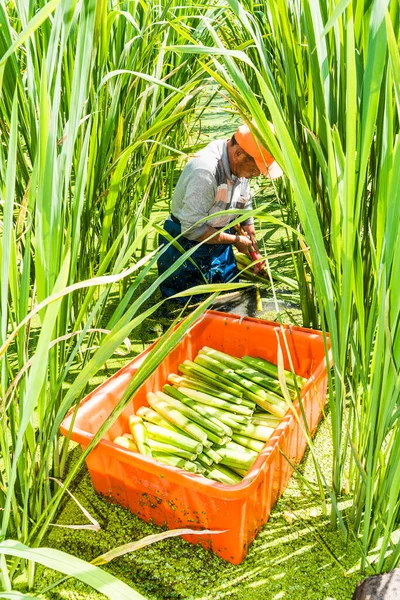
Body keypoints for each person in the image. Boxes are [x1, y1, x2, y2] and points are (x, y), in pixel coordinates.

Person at [157, 123, 282, 300]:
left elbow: (244, 203)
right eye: (255, 170)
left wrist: (252, 241)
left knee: (230, 300)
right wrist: (236, 240)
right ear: (239, 154)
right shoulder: (205, 171)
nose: (255, 175)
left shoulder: (240, 168)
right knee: (186, 310)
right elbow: (192, 228)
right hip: (184, 246)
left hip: (219, 241)